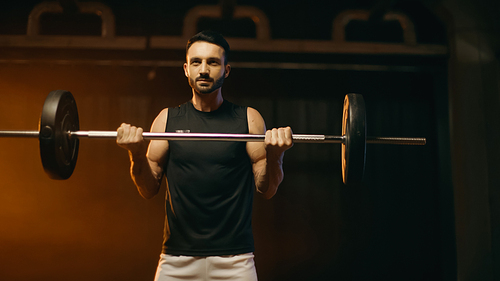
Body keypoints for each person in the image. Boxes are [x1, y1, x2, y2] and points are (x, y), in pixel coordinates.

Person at [116, 30, 293, 281]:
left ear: (226, 70)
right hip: (176, 261)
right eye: (196, 62)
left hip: (236, 262)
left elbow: (267, 189)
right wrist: (135, 152)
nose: (203, 70)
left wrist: (275, 155)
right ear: (186, 69)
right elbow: (148, 189)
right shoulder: (167, 119)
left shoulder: (248, 119)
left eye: (213, 62)